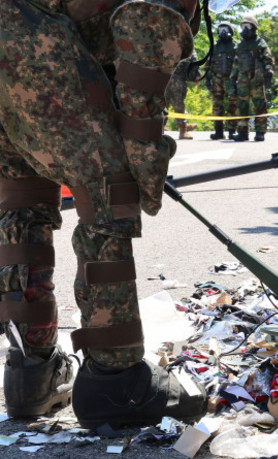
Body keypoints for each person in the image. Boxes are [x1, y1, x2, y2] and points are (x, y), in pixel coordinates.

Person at [0, 0, 207, 427]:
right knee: (110, 196)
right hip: (37, 46)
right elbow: (146, 36)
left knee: (22, 201)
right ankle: (116, 380)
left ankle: (31, 374)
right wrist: (144, 160)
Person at [229, 14, 274, 142]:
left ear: (253, 27)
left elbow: (268, 59)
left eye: (247, 26)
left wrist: (268, 73)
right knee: (242, 105)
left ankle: (260, 132)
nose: (244, 29)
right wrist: (232, 79)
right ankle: (242, 132)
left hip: (256, 78)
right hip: (242, 79)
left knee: (259, 105)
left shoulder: (260, 42)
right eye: (242, 26)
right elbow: (236, 63)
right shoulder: (240, 45)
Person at [205, 21, 238, 140]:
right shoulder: (214, 46)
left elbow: (240, 64)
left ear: (230, 31)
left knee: (233, 105)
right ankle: (218, 131)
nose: (222, 32)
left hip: (231, 80)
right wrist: (207, 79)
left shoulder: (235, 46)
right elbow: (208, 64)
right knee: (217, 106)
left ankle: (231, 131)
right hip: (216, 80)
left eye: (225, 30)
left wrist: (237, 80)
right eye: (220, 30)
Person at [165, 52, 201, 140]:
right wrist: (197, 75)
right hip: (173, 78)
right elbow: (194, 61)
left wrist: (197, 74)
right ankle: (182, 129)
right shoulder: (187, 45)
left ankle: (183, 128)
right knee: (176, 105)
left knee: (170, 104)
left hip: (170, 77)